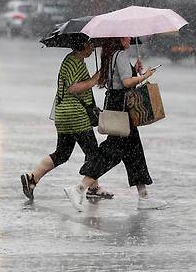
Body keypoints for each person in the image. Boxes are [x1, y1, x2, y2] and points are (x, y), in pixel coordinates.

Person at [64, 37, 166, 211]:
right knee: (112, 150)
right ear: (119, 38)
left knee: (134, 151)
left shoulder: (110, 54)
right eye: (127, 36)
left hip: (115, 103)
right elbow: (126, 83)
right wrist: (145, 75)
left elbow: (118, 78)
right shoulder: (120, 55)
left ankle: (144, 196)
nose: (130, 39)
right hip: (122, 107)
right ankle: (79, 188)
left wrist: (134, 70)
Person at [20, 36, 112, 201]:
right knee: (93, 152)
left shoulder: (75, 61)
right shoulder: (73, 61)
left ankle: (32, 178)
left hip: (65, 114)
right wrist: (92, 80)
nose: (92, 48)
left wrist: (95, 78)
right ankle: (92, 187)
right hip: (74, 114)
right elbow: (73, 88)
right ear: (83, 45)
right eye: (91, 44)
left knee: (62, 153)